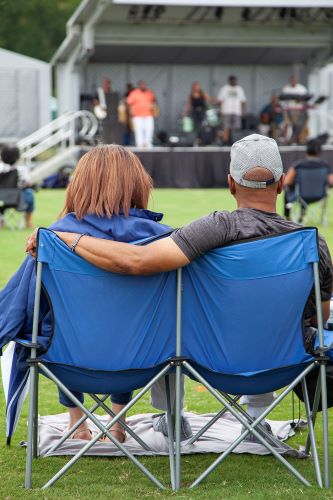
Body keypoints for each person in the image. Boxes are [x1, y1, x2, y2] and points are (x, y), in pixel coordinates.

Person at [27, 134, 333, 435]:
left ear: (230, 183)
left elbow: (138, 261)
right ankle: (256, 419)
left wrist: (65, 238)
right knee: (271, 321)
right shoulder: (311, 244)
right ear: (281, 184)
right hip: (286, 362)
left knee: (170, 316)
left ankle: (173, 418)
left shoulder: (214, 229)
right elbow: (319, 314)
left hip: (209, 356)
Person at [1, 145, 181, 443]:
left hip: (66, 363)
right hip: (143, 361)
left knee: (55, 321)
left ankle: (78, 423)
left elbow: (13, 310)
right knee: (127, 323)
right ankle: (118, 424)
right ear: (137, 184)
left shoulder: (52, 238)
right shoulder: (164, 241)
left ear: (79, 186)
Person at [284, 139, 333, 220]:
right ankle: (302, 214)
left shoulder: (298, 165)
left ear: (306, 150)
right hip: (320, 196)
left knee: (292, 191)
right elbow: (331, 182)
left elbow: (287, 181)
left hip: (301, 195)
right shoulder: (325, 166)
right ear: (319, 152)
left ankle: (287, 217)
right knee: (300, 191)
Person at [0, 145, 35, 228]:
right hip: (18, 200)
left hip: (1, 200)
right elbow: (28, 183)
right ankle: (28, 221)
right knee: (30, 193)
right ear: (17, 157)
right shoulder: (22, 169)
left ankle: (1, 219)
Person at [217, 75, 247, 145]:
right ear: (229, 81)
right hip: (226, 111)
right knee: (226, 127)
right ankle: (225, 142)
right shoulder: (225, 88)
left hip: (237, 111)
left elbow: (243, 101)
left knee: (236, 128)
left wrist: (243, 111)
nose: (233, 82)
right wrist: (221, 110)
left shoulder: (239, 89)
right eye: (232, 80)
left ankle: (235, 142)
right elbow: (220, 100)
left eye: (234, 80)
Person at [127, 80, 156, 148]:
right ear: (139, 85)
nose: (143, 86)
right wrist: (130, 112)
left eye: (144, 85)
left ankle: (148, 143)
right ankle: (139, 143)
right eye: (142, 85)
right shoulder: (134, 93)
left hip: (148, 114)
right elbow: (128, 102)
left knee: (149, 129)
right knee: (139, 130)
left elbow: (154, 100)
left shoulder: (149, 92)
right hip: (137, 115)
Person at [93, 78, 123, 144]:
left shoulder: (113, 94)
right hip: (104, 116)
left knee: (114, 132)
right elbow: (95, 101)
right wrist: (99, 104)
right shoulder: (99, 93)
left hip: (113, 116)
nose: (105, 85)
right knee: (104, 132)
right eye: (104, 84)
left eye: (106, 84)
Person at [281, 76, 308, 145]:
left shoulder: (302, 88)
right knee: (287, 124)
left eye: (294, 80)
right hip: (288, 110)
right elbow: (283, 99)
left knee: (299, 126)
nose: (293, 82)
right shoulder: (286, 88)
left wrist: (299, 99)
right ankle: (285, 140)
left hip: (299, 110)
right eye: (291, 80)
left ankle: (298, 140)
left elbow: (306, 99)